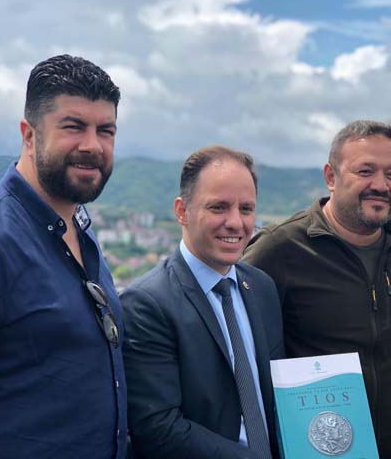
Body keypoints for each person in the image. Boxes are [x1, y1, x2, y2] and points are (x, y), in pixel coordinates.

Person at [243, 120, 391, 459]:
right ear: (331, 176)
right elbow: (240, 353)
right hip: (311, 451)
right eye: (365, 171)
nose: (381, 185)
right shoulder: (280, 249)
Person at [0, 55, 126, 458]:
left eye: (105, 130)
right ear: (29, 135)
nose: (93, 145)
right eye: (73, 127)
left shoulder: (81, 231)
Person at [121, 146, 284, 458]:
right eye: (219, 207)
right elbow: (158, 429)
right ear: (182, 211)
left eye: (246, 209)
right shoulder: (147, 304)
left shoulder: (262, 288)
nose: (235, 222)